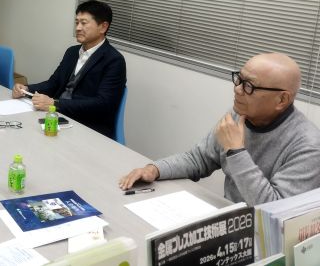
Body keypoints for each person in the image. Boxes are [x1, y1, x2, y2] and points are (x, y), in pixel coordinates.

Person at [119, 53, 320, 206]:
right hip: (230, 220)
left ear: (282, 99)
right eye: (239, 79)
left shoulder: (308, 146)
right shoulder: (240, 114)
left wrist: (236, 151)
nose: (237, 89)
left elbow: (272, 211)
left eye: (249, 86)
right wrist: (154, 169)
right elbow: (198, 159)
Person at [12, 0, 126, 139]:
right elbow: (54, 83)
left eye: (84, 23)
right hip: (59, 116)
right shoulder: (72, 52)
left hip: (88, 127)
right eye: (76, 22)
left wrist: (54, 103)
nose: (78, 28)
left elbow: (102, 104)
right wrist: (26, 89)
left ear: (103, 27)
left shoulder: (114, 60)